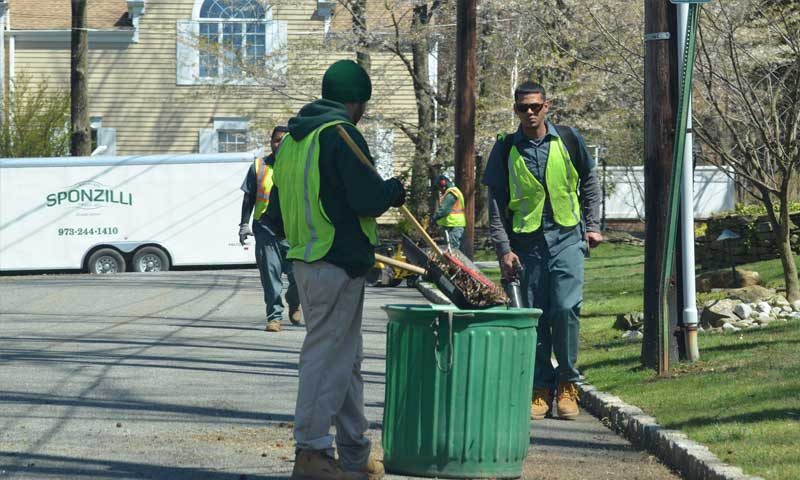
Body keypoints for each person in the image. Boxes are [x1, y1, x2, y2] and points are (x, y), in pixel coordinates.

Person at [266, 59, 405, 480]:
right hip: (336, 262)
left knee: (346, 358)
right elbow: (367, 198)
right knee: (327, 356)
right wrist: (394, 190)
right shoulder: (341, 133)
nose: (362, 112)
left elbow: (273, 215)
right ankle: (311, 451)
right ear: (355, 102)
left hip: (306, 263)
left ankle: (355, 451)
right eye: (363, 104)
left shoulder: (292, 142)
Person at [482, 81, 603, 421]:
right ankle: (539, 387)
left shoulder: (567, 139)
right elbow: (495, 204)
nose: (530, 112)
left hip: (566, 237)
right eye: (523, 108)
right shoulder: (506, 149)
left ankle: (566, 383)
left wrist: (592, 225)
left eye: (536, 106)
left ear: (546, 106)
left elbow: (589, 181)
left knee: (565, 310)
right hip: (527, 245)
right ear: (516, 110)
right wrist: (503, 249)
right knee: (533, 317)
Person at [238, 126, 301, 332]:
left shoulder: (298, 165)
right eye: (276, 140)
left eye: (284, 140)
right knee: (270, 276)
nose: (279, 144)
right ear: (270, 142)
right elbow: (249, 197)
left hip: (293, 230)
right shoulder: (259, 166)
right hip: (265, 228)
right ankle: (274, 317)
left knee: (298, 277)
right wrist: (244, 224)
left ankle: (294, 302)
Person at [432, 174, 466, 251]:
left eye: (439, 188)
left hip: (454, 226)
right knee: (450, 249)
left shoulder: (452, 193)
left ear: (443, 184)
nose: (440, 191)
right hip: (451, 224)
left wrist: (434, 219)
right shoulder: (449, 193)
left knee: (453, 249)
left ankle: (454, 263)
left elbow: (444, 210)